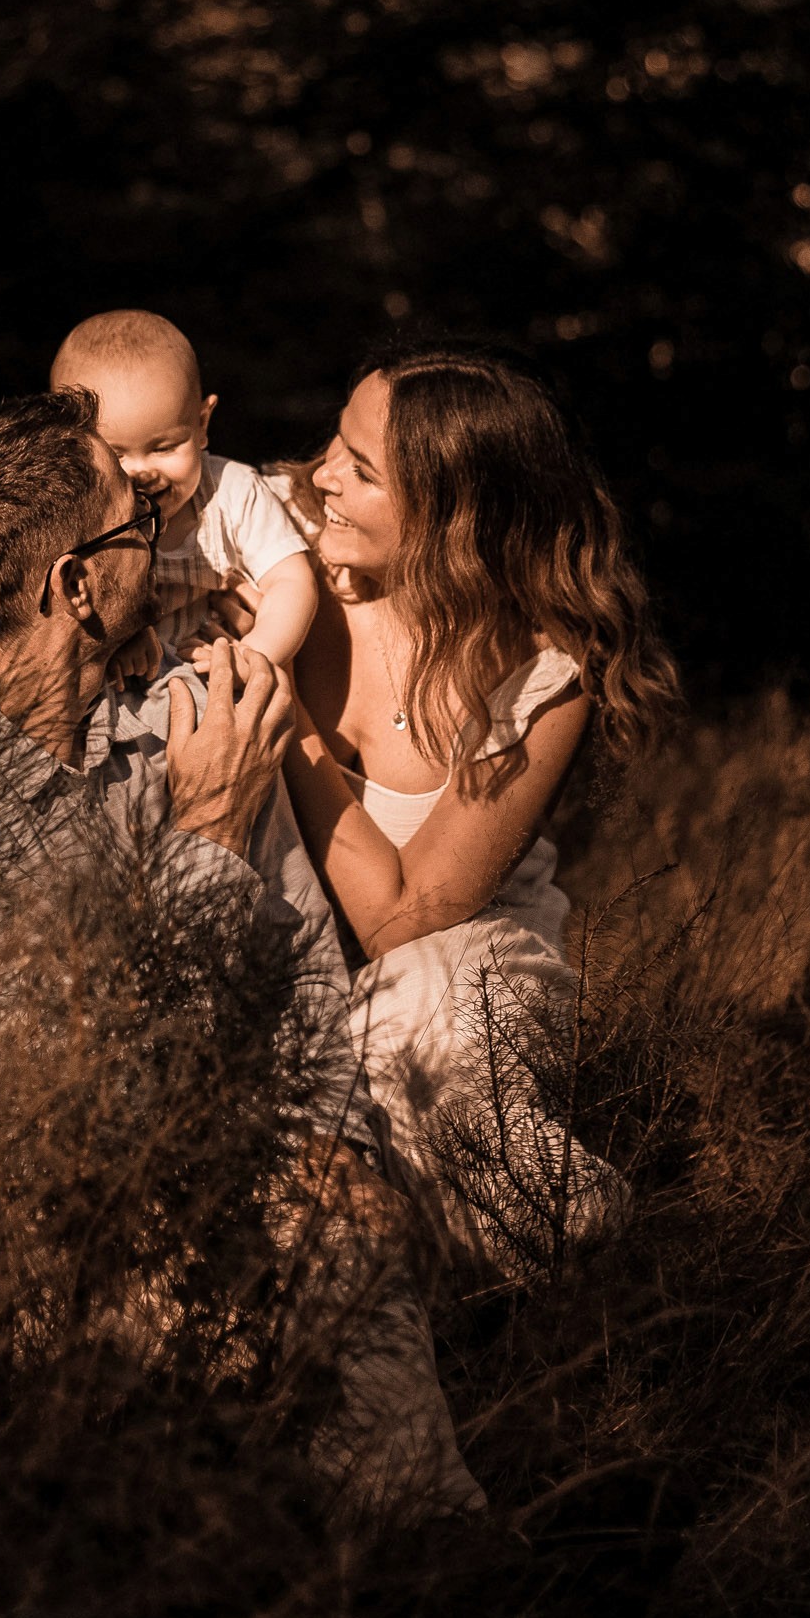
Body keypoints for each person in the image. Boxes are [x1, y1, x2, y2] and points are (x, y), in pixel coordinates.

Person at [0, 388, 485, 1524]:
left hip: (250, 1173)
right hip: (44, 1243)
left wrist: (329, 1174)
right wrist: (209, 836)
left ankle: (417, 1553)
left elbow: (302, 1027)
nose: (166, 525)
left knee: (349, 1263)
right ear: (75, 585)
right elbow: (30, 1115)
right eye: (135, 513)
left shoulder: (201, 715)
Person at [220, 348, 679, 1275]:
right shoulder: (270, 534)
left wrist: (288, 714)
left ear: (453, 517)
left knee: (408, 1049)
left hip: (466, 963)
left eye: (362, 470)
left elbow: (407, 919)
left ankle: (587, 1248)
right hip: (287, 948)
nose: (321, 478)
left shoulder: (544, 671)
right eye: (334, 446)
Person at [49, 310, 318, 670]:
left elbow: (291, 581)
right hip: (113, 690)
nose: (140, 472)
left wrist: (254, 655)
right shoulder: (72, 510)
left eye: (164, 448)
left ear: (202, 424)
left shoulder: (232, 494)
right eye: (115, 455)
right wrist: (113, 634)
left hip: (211, 673)